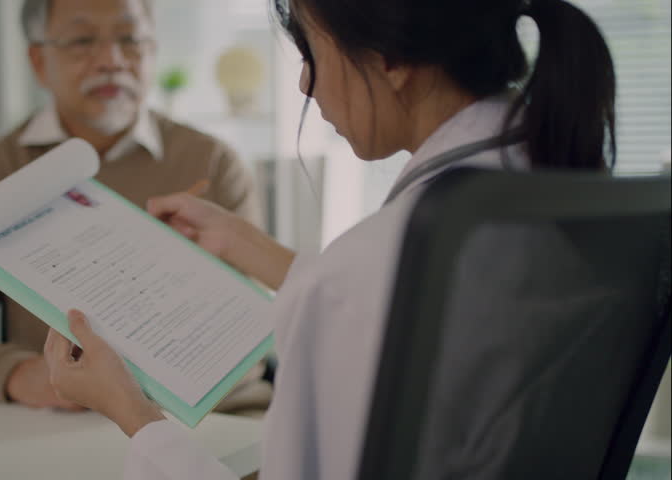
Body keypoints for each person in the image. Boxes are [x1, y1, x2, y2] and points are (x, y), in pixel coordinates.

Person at [43, 0, 617, 478]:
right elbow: (391, 311)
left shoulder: (364, 271)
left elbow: (363, 297)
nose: (303, 82)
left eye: (310, 53)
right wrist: (256, 249)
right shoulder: (552, 184)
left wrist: (132, 413)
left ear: (391, 59)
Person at [0, 0, 268, 413]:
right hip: (65, 430)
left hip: (215, 423)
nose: (111, 60)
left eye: (129, 39)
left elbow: (249, 334)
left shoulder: (212, 164)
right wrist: (23, 375)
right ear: (38, 61)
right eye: (82, 40)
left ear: (153, 51)